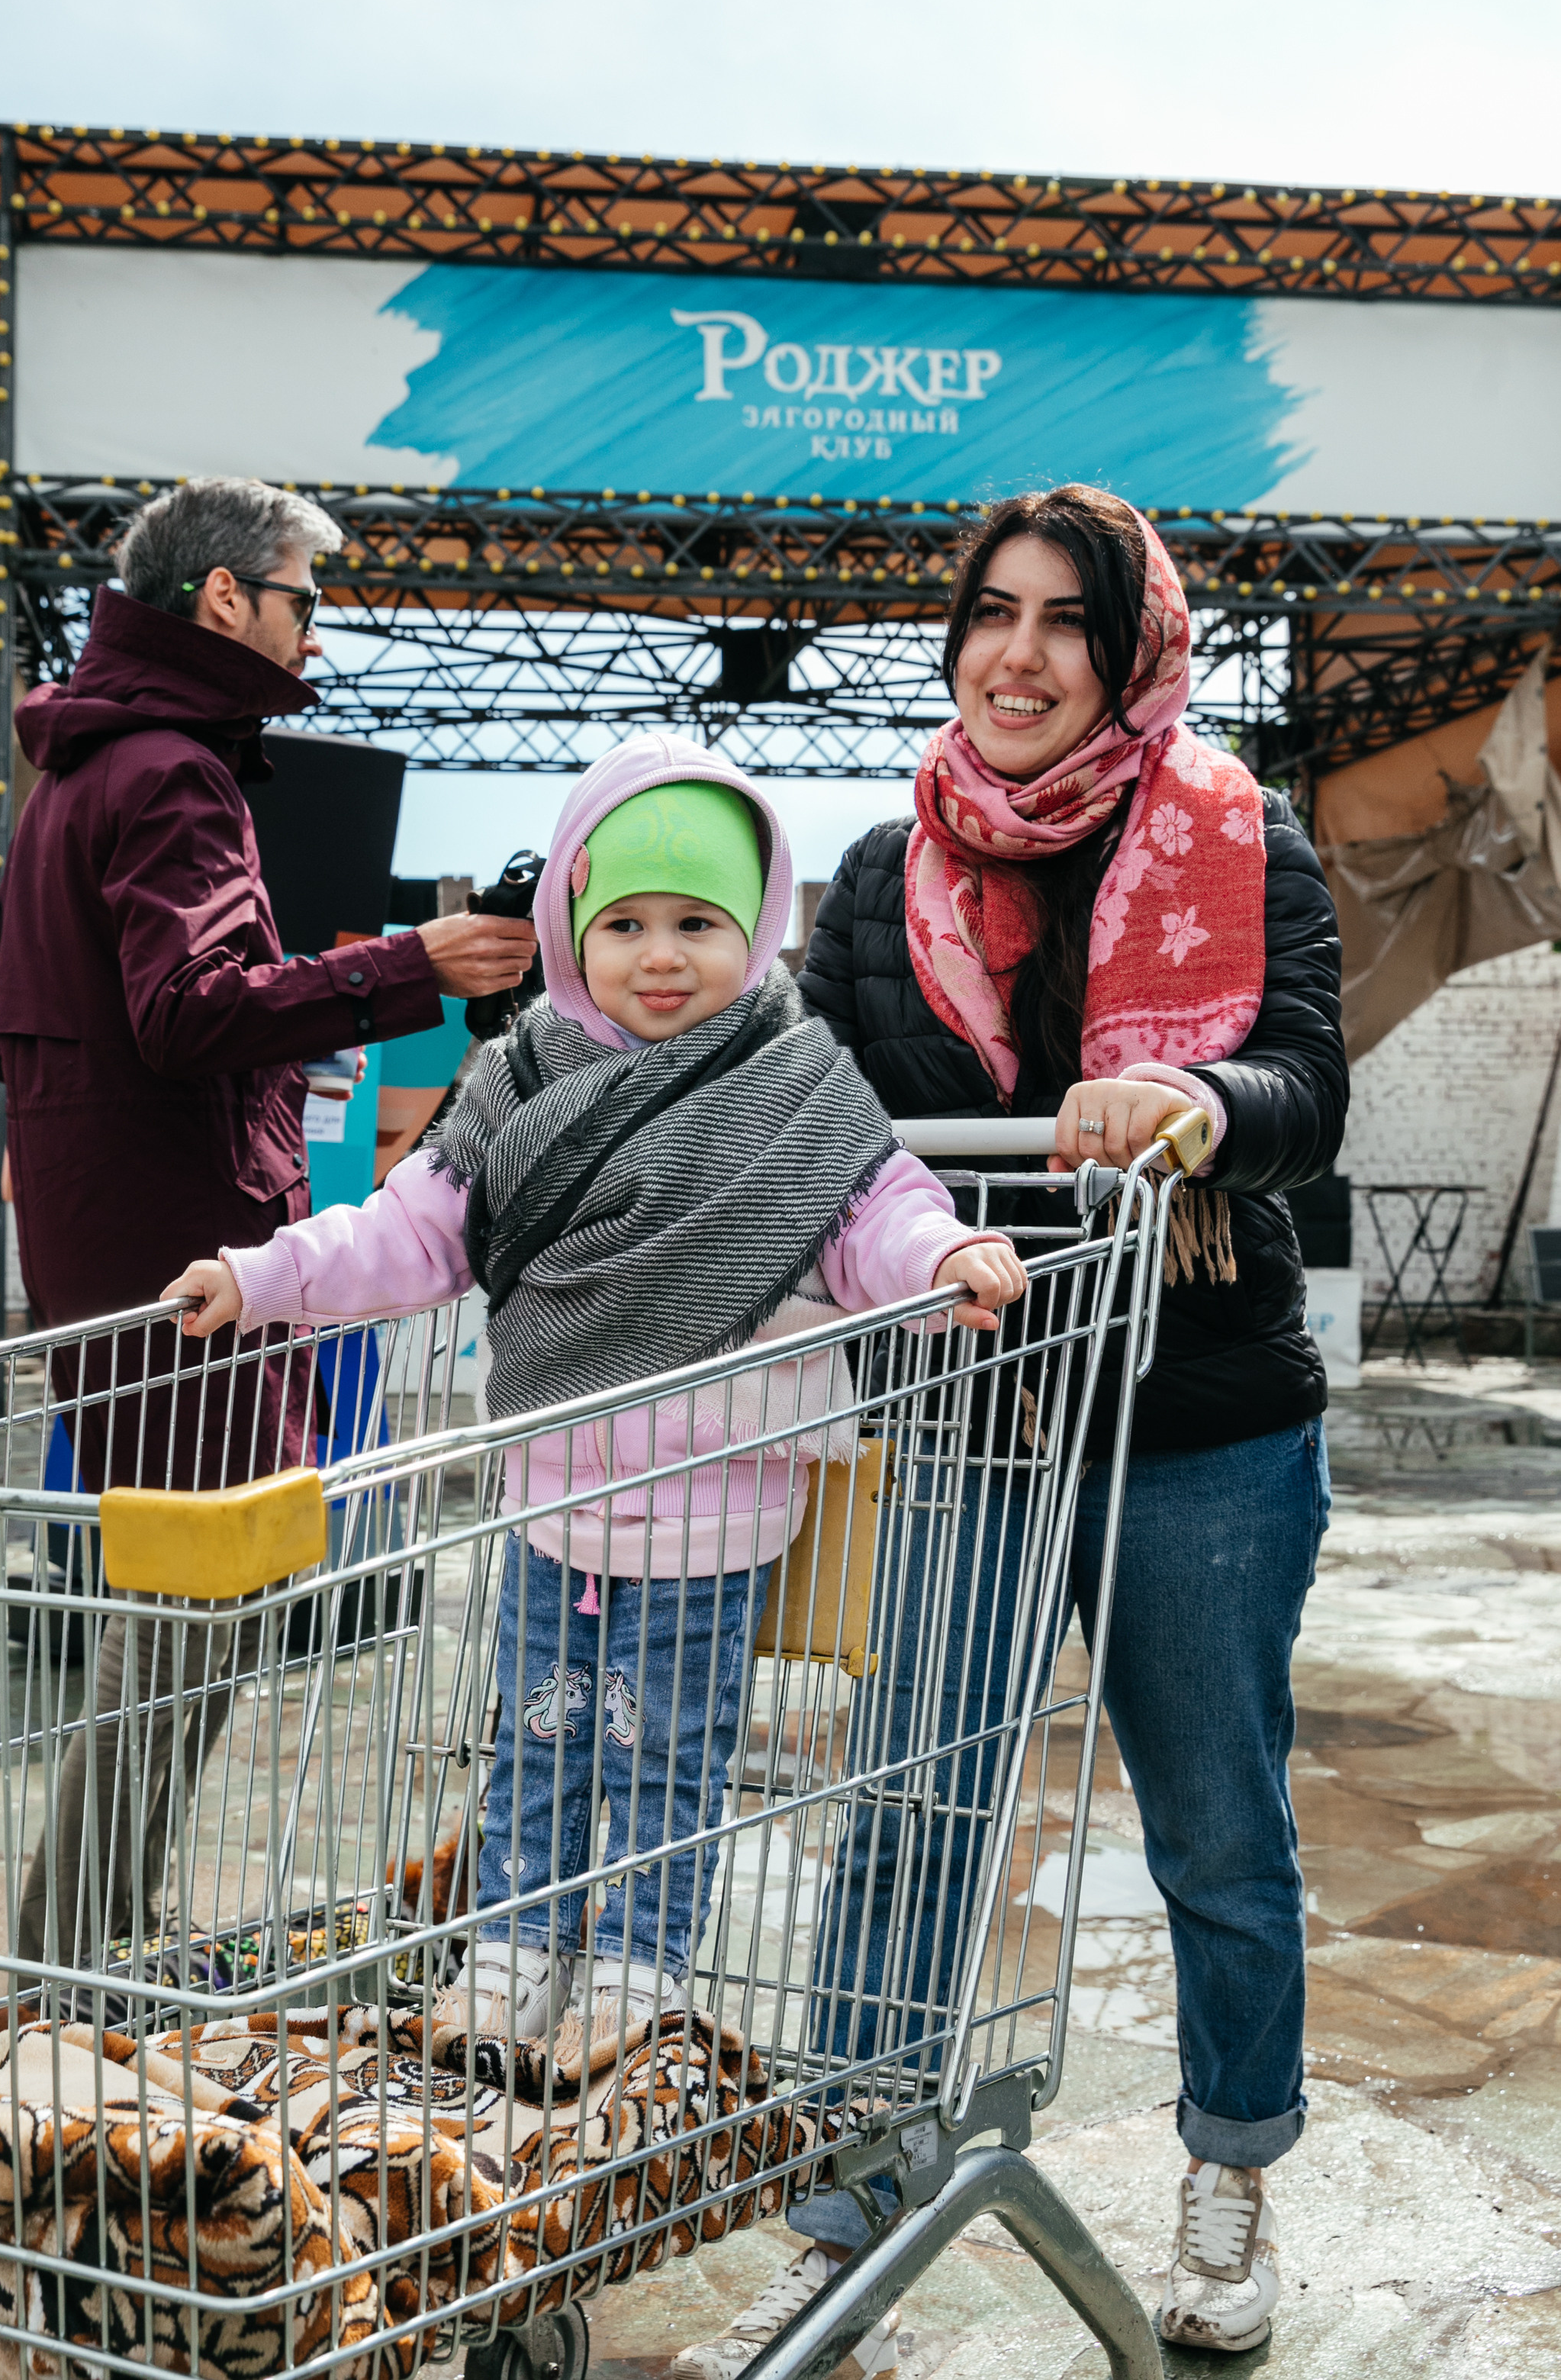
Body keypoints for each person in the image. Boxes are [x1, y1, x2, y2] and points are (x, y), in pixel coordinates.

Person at [676, 487, 1345, 2370]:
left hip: (1197, 1420)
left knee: (1217, 1826)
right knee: (910, 1808)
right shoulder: (886, 866)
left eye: (1066, 620)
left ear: (1130, 652)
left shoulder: (1232, 830)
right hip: (970, 1412)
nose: (1020, 653)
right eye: (991, 614)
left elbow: (1308, 1081)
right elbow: (789, 1096)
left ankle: (1229, 2175)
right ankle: (855, 2198)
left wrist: (1195, 1103)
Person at [168, 734, 1026, 2062]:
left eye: (697, 921)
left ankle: (631, 1977)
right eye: (623, 922)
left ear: (755, 932)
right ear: (572, 924)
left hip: (715, 1513)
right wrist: (261, 1275)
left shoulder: (793, 1083)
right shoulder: (518, 1076)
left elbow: (878, 1210)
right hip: (551, 1499)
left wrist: (945, 1254)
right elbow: (403, 1232)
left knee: (665, 1762)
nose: (661, 955)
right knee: (533, 1745)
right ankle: (509, 1957)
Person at [0, 475, 536, 1973]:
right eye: (304, 599)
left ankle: (89, 1937)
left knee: (181, 1608)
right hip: (190, 1262)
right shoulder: (171, 773)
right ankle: (70, 1960)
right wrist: (406, 965)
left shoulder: (88, 773)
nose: (317, 634)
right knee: (189, 1616)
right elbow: (189, 1012)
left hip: (131, 1242)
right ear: (225, 599)